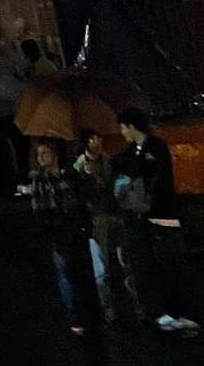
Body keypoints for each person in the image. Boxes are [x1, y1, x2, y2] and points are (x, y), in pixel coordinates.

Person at [112, 108, 198, 334]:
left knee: (174, 266)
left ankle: (187, 313)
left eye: (123, 127)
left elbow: (151, 173)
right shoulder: (132, 151)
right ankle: (169, 312)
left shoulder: (156, 147)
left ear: (131, 126)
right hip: (147, 218)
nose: (122, 132)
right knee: (157, 268)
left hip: (164, 215)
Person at [27, 139, 98, 334]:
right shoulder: (39, 180)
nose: (41, 158)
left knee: (81, 272)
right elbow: (40, 211)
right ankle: (74, 317)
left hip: (76, 231)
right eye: (39, 154)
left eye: (45, 153)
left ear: (55, 155)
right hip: (58, 234)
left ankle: (90, 314)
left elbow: (81, 197)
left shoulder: (69, 175)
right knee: (65, 275)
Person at [71, 128, 122, 323]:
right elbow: (79, 195)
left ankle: (133, 305)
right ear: (86, 144)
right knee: (101, 268)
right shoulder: (80, 165)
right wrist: (87, 177)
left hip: (114, 215)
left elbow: (113, 186)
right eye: (93, 140)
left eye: (98, 138)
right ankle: (107, 309)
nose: (97, 142)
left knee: (123, 261)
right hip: (95, 220)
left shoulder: (107, 160)